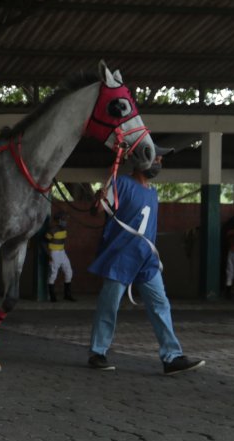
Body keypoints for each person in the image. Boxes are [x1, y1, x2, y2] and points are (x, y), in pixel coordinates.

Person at [86, 148, 205, 375]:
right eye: (156, 158)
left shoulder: (152, 192)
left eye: (160, 159)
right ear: (141, 159)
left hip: (146, 259)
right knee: (109, 305)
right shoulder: (121, 183)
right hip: (121, 257)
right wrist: (98, 199)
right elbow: (97, 211)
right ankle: (97, 352)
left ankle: (172, 357)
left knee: (161, 305)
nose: (159, 162)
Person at [45, 212, 77, 302]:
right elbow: (44, 242)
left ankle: (67, 295)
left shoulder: (64, 229)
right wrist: (48, 253)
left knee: (69, 272)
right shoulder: (52, 230)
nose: (65, 221)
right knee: (53, 274)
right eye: (63, 219)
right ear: (58, 220)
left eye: (65, 219)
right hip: (54, 253)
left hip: (62, 252)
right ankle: (52, 296)